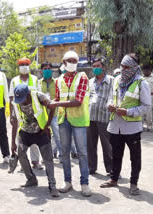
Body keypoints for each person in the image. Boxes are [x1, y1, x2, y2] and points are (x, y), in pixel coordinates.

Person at [100, 54, 151, 196]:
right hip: (115, 126)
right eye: (122, 66)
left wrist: (128, 112)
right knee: (116, 155)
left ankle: (134, 183)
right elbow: (111, 97)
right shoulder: (117, 80)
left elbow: (146, 106)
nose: (123, 69)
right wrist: (109, 104)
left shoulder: (142, 83)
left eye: (126, 67)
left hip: (132, 128)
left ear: (134, 67)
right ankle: (114, 179)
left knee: (135, 157)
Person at [54, 50, 92, 197]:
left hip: (79, 119)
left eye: (75, 61)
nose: (72, 63)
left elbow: (78, 101)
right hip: (63, 119)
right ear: (64, 63)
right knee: (64, 153)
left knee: (82, 152)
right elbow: (57, 99)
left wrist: (54, 104)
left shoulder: (82, 77)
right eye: (69, 61)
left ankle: (84, 183)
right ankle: (67, 181)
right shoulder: (58, 80)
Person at [11, 84, 59, 197]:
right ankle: (31, 179)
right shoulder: (16, 102)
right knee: (21, 153)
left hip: (41, 132)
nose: (21, 102)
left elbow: (52, 107)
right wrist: (13, 142)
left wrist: (47, 125)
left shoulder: (39, 97)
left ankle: (52, 185)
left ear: (28, 95)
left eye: (23, 99)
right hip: (25, 131)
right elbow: (14, 123)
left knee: (48, 158)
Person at [9, 57, 43, 170]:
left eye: (26, 64)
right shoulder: (14, 80)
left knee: (34, 137)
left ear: (29, 66)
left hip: (34, 113)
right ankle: (24, 163)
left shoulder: (35, 79)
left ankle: (35, 161)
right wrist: (12, 115)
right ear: (18, 67)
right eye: (22, 64)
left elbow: (39, 95)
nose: (24, 66)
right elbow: (11, 98)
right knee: (21, 138)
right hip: (20, 113)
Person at [87, 58, 113, 175]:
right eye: (94, 66)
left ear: (103, 67)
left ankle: (111, 169)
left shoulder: (111, 81)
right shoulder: (90, 82)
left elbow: (114, 97)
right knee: (91, 145)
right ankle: (91, 167)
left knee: (107, 145)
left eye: (98, 66)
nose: (96, 68)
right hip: (90, 117)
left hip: (104, 117)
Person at [38, 62, 62, 163]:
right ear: (42, 71)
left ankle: (62, 155)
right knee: (43, 136)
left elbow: (60, 96)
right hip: (42, 114)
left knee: (58, 135)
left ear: (52, 70)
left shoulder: (57, 82)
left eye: (49, 68)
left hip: (55, 113)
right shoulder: (38, 83)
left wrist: (53, 103)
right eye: (45, 69)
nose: (47, 70)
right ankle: (45, 156)